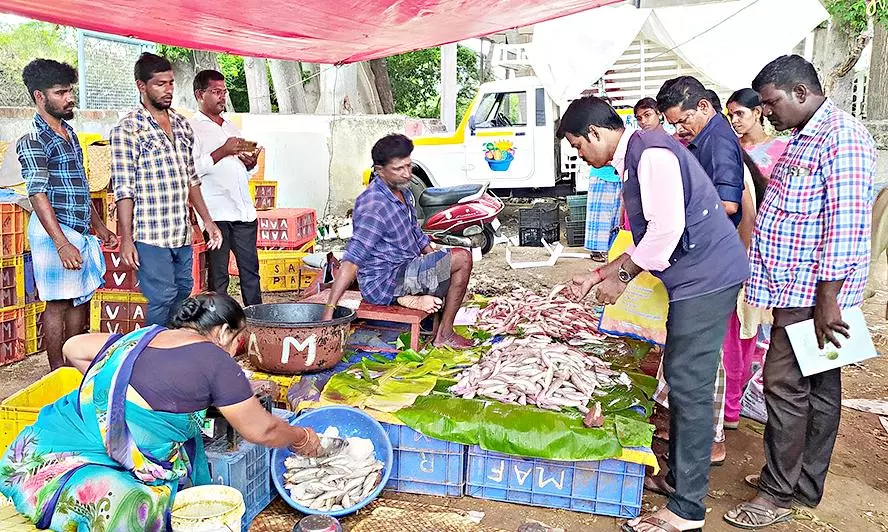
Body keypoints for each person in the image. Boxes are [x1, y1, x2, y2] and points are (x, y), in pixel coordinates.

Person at [560, 96, 748, 532]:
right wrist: (599, 274)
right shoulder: (638, 156)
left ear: (594, 133)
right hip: (696, 278)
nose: (581, 157)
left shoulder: (651, 152)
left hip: (707, 277)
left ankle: (687, 510)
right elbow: (648, 238)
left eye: (578, 146)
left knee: (690, 385)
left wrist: (620, 279)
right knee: (682, 378)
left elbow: (666, 230)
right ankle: (679, 481)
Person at [0, 292, 322, 531]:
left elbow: (72, 348)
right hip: (90, 474)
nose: (235, 352)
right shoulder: (215, 360)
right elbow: (262, 429)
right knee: (136, 509)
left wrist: (112, 396)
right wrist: (302, 438)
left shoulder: (143, 336)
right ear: (224, 332)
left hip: (34, 452)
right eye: (238, 341)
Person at [725, 55, 876, 530]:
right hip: (798, 287)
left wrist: (828, 300)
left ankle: (776, 494)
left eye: (771, 103)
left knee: (784, 386)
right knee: (819, 387)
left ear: (800, 92)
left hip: (812, 293)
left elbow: (846, 225)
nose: (766, 112)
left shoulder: (842, 137)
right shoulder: (803, 136)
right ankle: (802, 484)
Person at [655, 78, 748, 463]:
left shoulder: (718, 140)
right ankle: (683, 427)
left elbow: (727, 203)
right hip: (703, 260)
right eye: (674, 124)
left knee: (703, 356)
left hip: (711, 263)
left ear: (704, 107)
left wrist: (674, 210)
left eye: (683, 120)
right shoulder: (705, 137)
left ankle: (710, 440)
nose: (680, 129)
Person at [321, 134, 473, 348]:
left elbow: (417, 235)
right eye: (398, 169)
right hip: (384, 281)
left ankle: (415, 303)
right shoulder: (373, 206)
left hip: (406, 268)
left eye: (408, 166)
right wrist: (329, 309)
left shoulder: (404, 192)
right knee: (463, 258)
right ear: (379, 170)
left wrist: (438, 261)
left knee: (451, 261)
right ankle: (443, 334)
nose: (407, 173)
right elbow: (352, 260)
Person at [17, 59, 118, 371]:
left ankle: (75, 366)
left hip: (78, 230)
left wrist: (99, 226)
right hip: (53, 232)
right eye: (61, 93)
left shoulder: (69, 133)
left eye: (70, 91)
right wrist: (61, 243)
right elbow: (37, 194)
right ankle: (56, 372)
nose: (69, 98)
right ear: (39, 96)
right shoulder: (33, 140)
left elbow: (80, 187)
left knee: (80, 297)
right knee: (58, 302)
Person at [111, 53, 223, 327]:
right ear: (141, 86)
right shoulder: (128, 129)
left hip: (180, 232)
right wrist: (126, 239)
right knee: (161, 297)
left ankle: (171, 342)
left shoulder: (182, 125)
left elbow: (191, 179)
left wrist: (208, 221)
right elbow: (124, 188)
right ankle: (156, 346)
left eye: (171, 83)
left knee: (183, 291)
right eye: (160, 84)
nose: (168, 89)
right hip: (150, 235)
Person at [190, 69, 263, 307]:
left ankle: (256, 318)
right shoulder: (191, 129)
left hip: (244, 212)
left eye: (224, 91)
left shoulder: (231, 127)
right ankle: (219, 319)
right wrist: (222, 151)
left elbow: (242, 170)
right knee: (219, 276)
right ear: (200, 94)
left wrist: (250, 164)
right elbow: (191, 171)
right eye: (216, 91)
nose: (222, 97)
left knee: (250, 272)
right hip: (216, 214)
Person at [726, 88, 789, 190]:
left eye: (739, 113)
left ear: (757, 112)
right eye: (731, 115)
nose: (733, 120)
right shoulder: (729, 147)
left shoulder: (783, 147)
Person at [584, 163, 622, 262]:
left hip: (621, 176)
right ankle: (596, 250)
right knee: (599, 216)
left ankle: (614, 249)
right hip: (602, 175)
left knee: (619, 217)